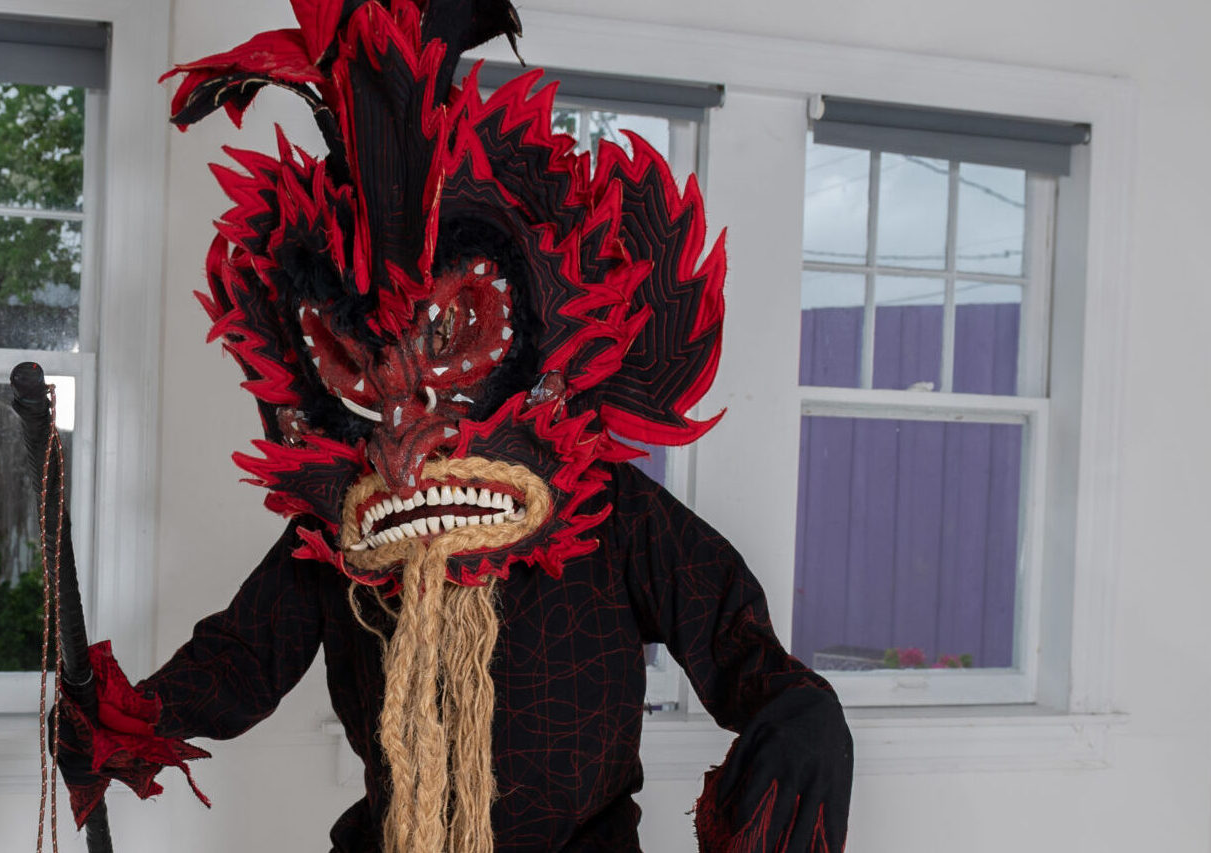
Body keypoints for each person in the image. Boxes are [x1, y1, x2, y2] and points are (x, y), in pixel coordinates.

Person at [55, 2, 853, 850]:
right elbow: (246, 655)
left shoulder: (612, 514)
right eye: (360, 373)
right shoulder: (343, 540)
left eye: (455, 341)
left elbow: (732, 634)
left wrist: (799, 721)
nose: (406, 438)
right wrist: (128, 718)